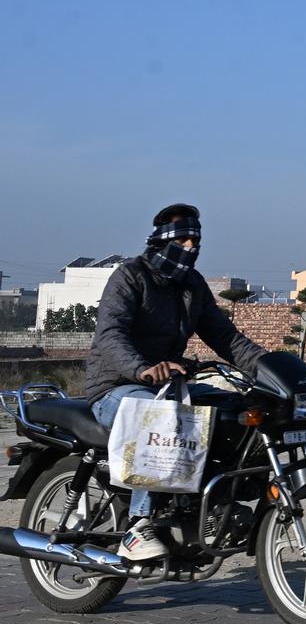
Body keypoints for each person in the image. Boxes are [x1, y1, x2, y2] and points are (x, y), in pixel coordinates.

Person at [86, 203, 266, 561]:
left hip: (167, 385)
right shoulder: (130, 276)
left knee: (236, 410)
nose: (190, 248)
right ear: (160, 239)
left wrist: (273, 367)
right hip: (116, 386)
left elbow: (226, 338)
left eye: (194, 241)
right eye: (181, 239)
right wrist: (142, 369)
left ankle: (212, 505)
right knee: (160, 414)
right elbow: (109, 336)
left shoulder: (192, 286)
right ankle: (138, 526)